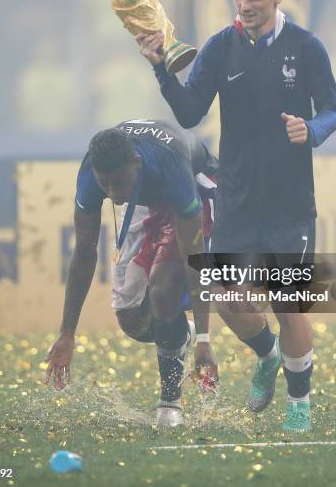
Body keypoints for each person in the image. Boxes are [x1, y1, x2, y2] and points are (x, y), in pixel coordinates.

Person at [136, 0, 336, 432]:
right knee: (226, 295)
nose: (245, 4)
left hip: (289, 204)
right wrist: (161, 70)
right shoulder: (220, 46)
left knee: (288, 304)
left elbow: (334, 110)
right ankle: (267, 355)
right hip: (237, 200)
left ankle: (300, 405)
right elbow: (189, 113)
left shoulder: (306, 47)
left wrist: (311, 129)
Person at [45, 118, 219, 427]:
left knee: (163, 288)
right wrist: (67, 332)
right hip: (144, 197)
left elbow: (195, 257)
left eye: (118, 183)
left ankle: (170, 402)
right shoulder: (92, 172)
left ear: (135, 164)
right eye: (105, 184)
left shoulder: (172, 168)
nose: (111, 193)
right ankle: (180, 334)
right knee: (132, 321)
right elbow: (85, 251)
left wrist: (205, 338)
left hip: (190, 187)